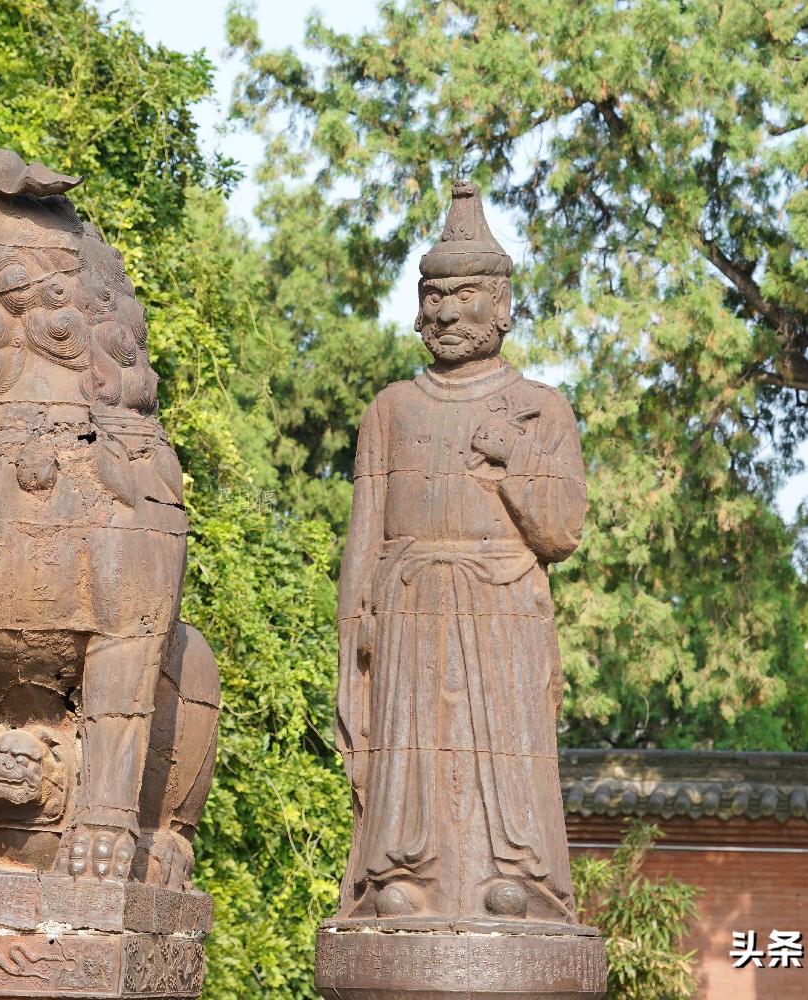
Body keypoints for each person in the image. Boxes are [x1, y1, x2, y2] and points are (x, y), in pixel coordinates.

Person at [335, 181, 587, 925]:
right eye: (434, 296)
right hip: (409, 601)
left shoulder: (541, 408)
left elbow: (562, 532)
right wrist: (357, 622)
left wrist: (514, 459)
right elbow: (364, 534)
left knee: (507, 743)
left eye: (465, 295)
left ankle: (518, 876)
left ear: (502, 305)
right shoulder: (391, 409)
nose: (446, 312)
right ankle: (399, 873)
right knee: (407, 746)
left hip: (502, 600)